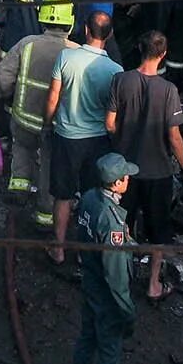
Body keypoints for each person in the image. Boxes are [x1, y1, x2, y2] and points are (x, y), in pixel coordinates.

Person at [63, 151, 140, 364]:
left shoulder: (89, 199)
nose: (129, 179)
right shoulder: (111, 222)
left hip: (90, 286)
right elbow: (117, 275)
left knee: (86, 340)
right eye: (126, 176)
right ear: (117, 183)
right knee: (109, 356)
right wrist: (127, 311)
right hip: (107, 296)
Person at [105, 31, 183, 299]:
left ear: (140, 49)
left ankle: (119, 278)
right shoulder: (168, 90)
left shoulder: (121, 80)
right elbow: (174, 136)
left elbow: (109, 123)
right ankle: (153, 285)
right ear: (163, 54)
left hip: (124, 172)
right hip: (158, 173)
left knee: (122, 225)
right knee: (158, 232)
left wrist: (121, 143)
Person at [44, 18, 120, 263]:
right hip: (98, 139)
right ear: (108, 36)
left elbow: (53, 96)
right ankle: (86, 251)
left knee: (63, 195)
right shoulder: (115, 71)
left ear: (86, 30)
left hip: (67, 136)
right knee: (92, 194)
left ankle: (58, 248)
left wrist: (47, 123)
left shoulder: (66, 57)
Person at [0, 0, 74, 227]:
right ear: (70, 21)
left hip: (23, 118)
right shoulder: (74, 51)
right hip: (54, 126)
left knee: (21, 151)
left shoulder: (27, 43)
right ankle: (45, 216)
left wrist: (10, 93)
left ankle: (19, 191)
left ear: (42, 19)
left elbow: (2, 76)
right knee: (49, 167)